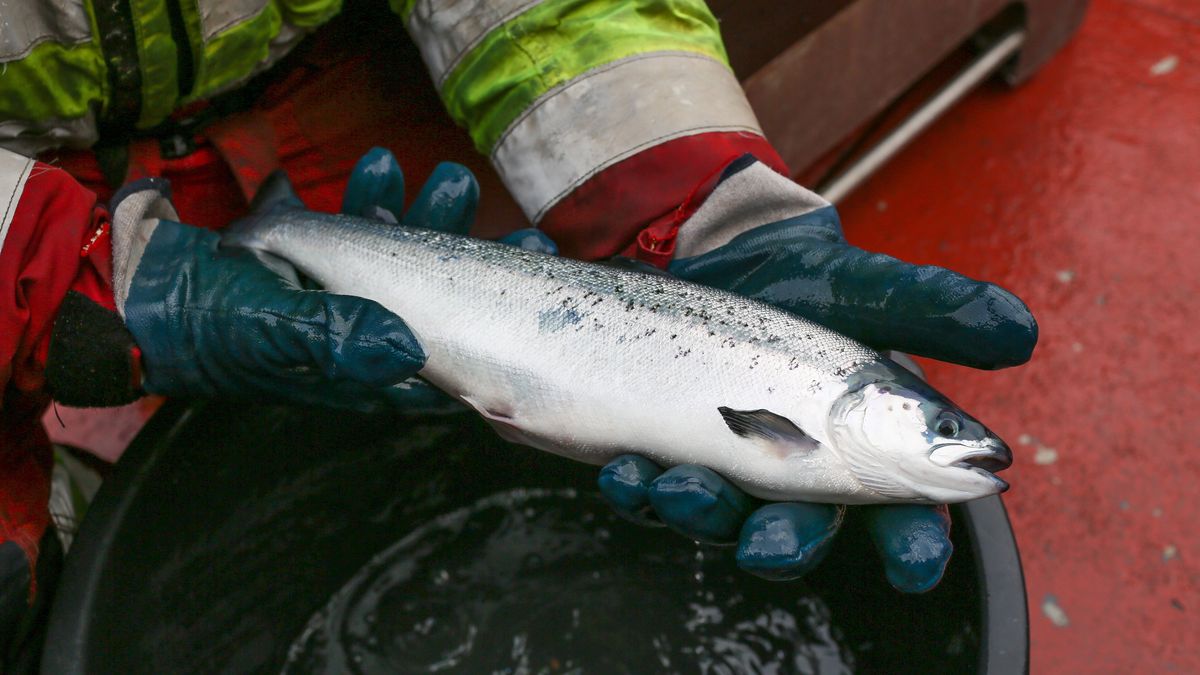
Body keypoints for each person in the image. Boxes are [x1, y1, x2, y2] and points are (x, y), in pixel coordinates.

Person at [0, 0, 1037, 663]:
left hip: (329, 85)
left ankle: (290, 242)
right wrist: (50, 272)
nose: (966, 451)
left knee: (384, 340)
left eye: (943, 436)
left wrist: (676, 177)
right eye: (944, 433)